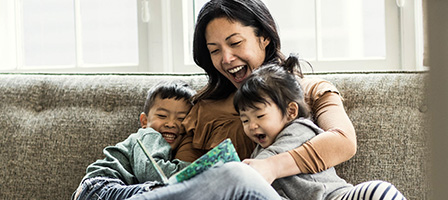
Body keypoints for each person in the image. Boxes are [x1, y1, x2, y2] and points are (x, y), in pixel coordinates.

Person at [175, 0, 356, 185]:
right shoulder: (204, 111)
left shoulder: (310, 91)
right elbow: (181, 181)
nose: (226, 59)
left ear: (264, 37)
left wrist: (272, 166)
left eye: (235, 43)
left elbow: (344, 141)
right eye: (215, 50)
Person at [73, 80, 281, 200]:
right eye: (162, 116)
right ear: (144, 121)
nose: (171, 123)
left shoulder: (174, 145)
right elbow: (152, 171)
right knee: (159, 189)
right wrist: (200, 171)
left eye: (181, 119)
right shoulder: (146, 136)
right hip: (99, 188)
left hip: (117, 190)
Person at [233, 62, 406, 200]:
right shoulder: (258, 154)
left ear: (291, 112)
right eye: (245, 120)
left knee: (378, 190)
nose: (252, 125)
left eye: (260, 116)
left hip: (336, 196)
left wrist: (235, 173)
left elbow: (264, 163)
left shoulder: (298, 130)